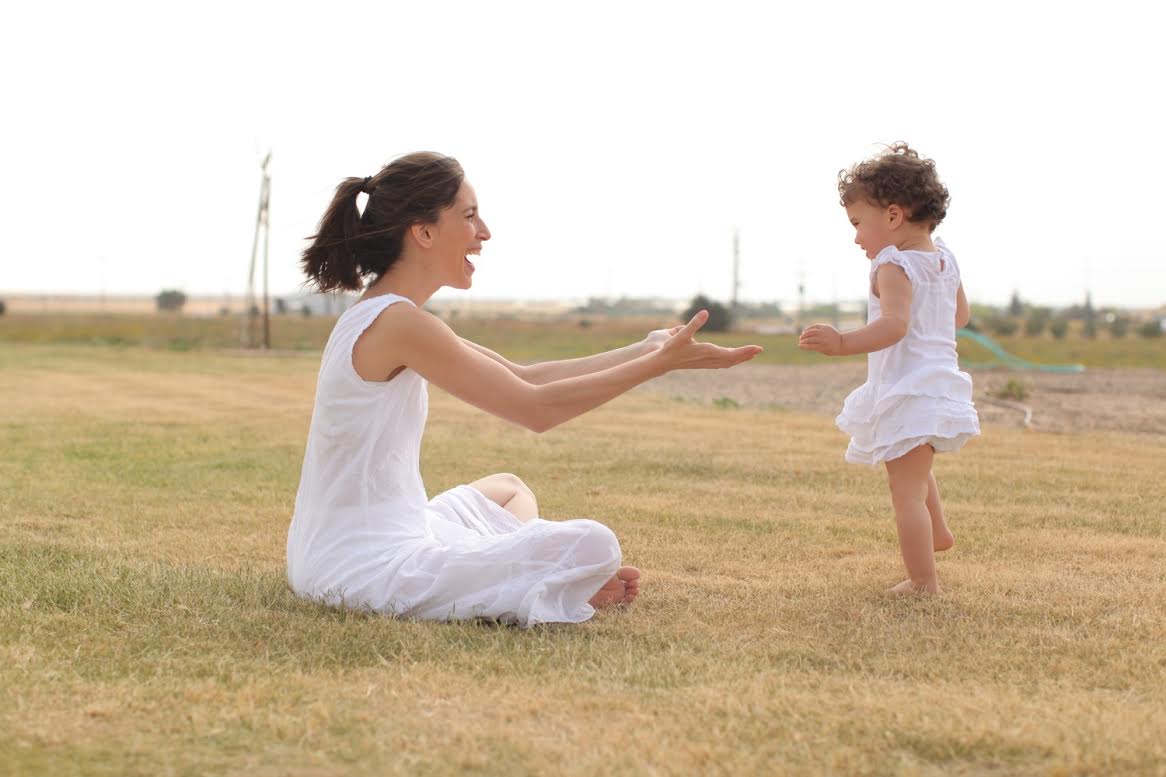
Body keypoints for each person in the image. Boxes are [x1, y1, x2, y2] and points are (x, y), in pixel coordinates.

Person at [287, 151, 762, 626]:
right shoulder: (399, 322)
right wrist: (658, 366)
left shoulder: (382, 314)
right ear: (424, 231)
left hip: (343, 549)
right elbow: (537, 408)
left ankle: (519, 570)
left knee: (508, 490)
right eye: (469, 216)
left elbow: (528, 376)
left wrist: (647, 348)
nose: (484, 232)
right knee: (595, 544)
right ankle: (532, 577)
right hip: (361, 569)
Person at [798, 143, 980, 594]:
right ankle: (937, 533)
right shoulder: (945, 259)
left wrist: (842, 343)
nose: (857, 237)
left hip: (908, 387)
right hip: (939, 384)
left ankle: (923, 582)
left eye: (859, 224)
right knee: (912, 470)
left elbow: (894, 325)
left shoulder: (891, 264)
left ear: (893, 217)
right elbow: (959, 318)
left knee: (905, 493)